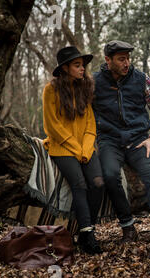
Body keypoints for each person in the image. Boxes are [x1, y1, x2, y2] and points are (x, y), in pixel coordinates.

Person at [92, 40, 150, 242]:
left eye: (128, 58)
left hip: (139, 140)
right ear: (108, 60)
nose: (126, 63)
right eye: (121, 59)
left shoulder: (142, 79)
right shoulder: (94, 83)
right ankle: (127, 226)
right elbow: (84, 115)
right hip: (109, 140)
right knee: (109, 176)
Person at [42, 46, 104, 254]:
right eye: (77, 65)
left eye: (83, 65)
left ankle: (86, 232)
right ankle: (88, 234)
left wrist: (86, 149)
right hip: (61, 147)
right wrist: (77, 149)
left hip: (84, 147)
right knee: (79, 184)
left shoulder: (85, 87)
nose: (82, 69)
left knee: (98, 183)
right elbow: (52, 126)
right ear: (65, 68)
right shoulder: (50, 90)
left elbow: (90, 123)